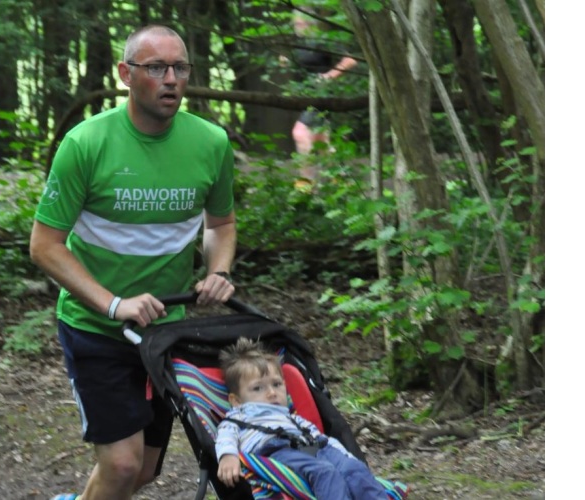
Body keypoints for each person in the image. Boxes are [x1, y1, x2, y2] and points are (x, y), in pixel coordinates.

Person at [29, 25, 237, 500]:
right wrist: (113, 303)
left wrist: (218, 271)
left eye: (180, 68)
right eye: (156, 68)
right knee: (121, 466)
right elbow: (44, 245)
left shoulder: (210, 142)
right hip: (94, 326)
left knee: (142, 470)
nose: (171, 79)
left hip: (165, 331)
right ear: (126, 74)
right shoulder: (85, 144)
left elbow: (221, 224)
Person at [215, 337, 388, 500]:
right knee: (325, 472)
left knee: (355, 469)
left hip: (311, 447)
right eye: (258, 388)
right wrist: (227, 456)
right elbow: (225, 436)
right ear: (236, 401)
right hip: (276, 453)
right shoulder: (236, 417)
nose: (272, 393)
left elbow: (324, 440)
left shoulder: (293, 419)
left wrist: (347, 456)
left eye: (276, 384)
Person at [289, 10, 358, 185]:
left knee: (300, 132)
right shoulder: (298, 44)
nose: (296, 26)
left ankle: (306, 184)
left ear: (310, 22)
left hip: (321, 97)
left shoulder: (321, 40)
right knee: (321, 142)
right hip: (308, 97)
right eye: (294, 23)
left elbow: (349, 61)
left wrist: (327, 77)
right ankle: (342, 183)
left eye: (299, 22)